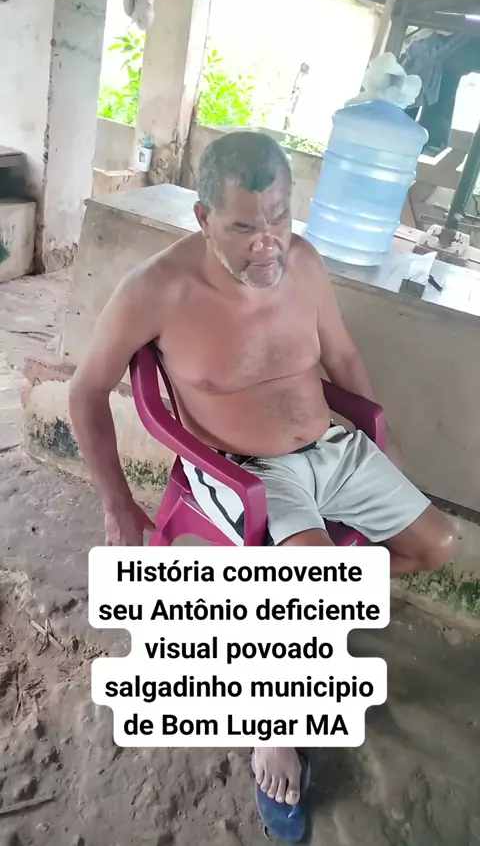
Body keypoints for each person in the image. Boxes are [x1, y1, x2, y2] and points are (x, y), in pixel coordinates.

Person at [69, 130, 455, 842]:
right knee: (315, 583)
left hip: (332, 450)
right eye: (245, 226)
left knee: (438, 546)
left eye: (279, 217)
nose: (268, 242)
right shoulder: (157, 289)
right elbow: (85, 391)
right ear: (203, 217)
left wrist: (383, 436)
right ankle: (273, 729)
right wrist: (117, 502)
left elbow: (342, 356)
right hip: (244, 470)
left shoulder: (302, 262)